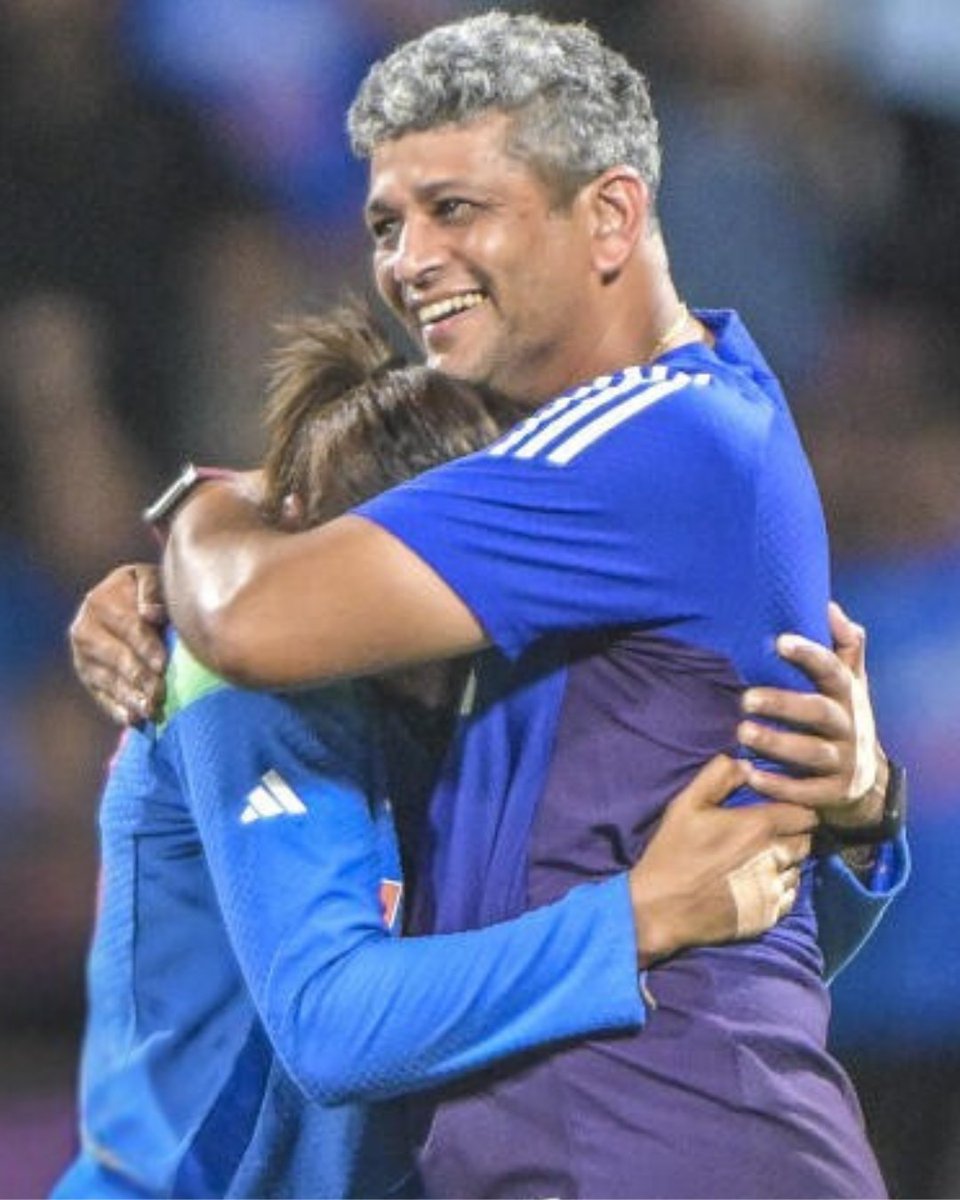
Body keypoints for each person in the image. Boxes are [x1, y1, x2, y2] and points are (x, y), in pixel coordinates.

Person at [70, 12, 908, 1199]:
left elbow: (250, 619)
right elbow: (744, 912)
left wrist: (204, 503)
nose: (408, 258)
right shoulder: (691, 428)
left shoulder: (630, 448)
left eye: (455, 208)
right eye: (385, 223)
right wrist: (857, 817)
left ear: (611, 215)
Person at [55, 306, 816, 1200]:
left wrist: (858, 810)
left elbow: (733, 927)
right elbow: (329, 1025)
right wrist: (635, 918)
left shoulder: (505, 686)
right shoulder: (237, 682)